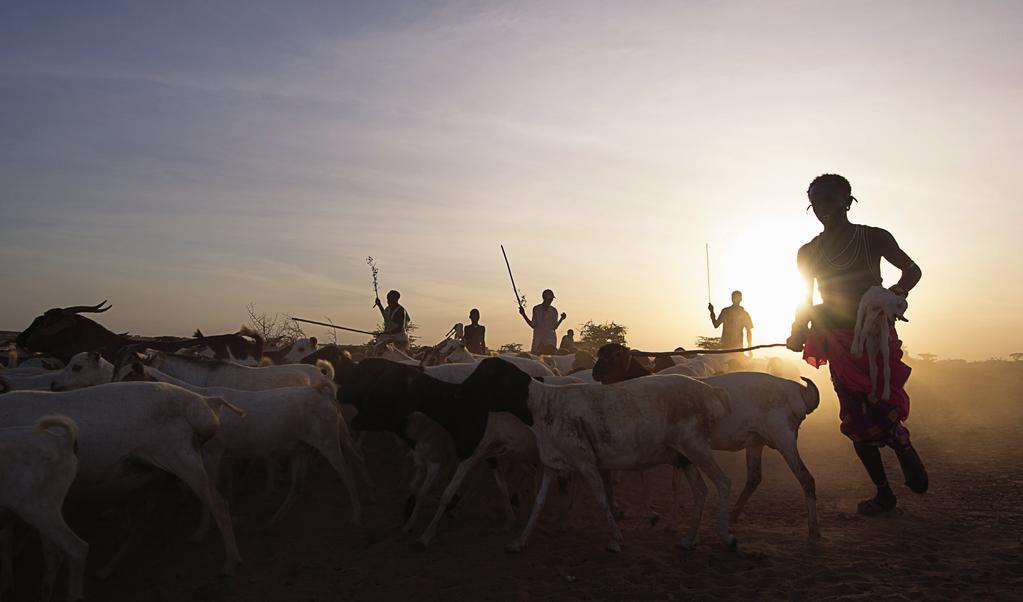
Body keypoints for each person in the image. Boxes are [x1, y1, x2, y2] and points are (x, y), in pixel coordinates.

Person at [786, 173, 928, 516]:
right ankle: (884, 493)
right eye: (816, 204)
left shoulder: (874, 238)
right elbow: (805, 297)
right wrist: (797, 330)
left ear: (847, 202)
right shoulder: (808, 252)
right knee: (853, 419)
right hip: (835, 340)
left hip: (874, 336)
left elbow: (912, 271)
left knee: (880, 401)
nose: (823, 209)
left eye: (830, 201)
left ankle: (901, 443)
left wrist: (893, 294)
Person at [518, 289, 566, 355]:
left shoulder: (554, 311)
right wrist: (523, 314)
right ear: (545, 298)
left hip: (550, 341)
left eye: (551, 299)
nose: (551, 300)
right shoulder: (536, 309)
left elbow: (555, 327)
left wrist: (561, 319)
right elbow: (533, 325)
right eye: (550, 298)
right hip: (538, 341)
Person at [708, 290, 754, 357]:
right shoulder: (743, 314)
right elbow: (748, 332)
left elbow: (715, 324)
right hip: (731, 347)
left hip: (731, 347)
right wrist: (749, 348)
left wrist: (712, 311)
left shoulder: (727, 311)